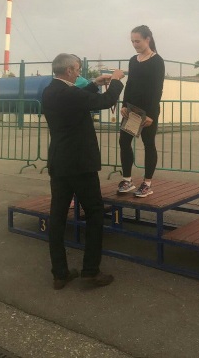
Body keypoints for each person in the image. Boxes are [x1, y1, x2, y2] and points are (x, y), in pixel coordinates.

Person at [42, 53, 125, 290]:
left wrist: (94, 83)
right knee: (95, 213)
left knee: (57, 217)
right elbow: (104, 102)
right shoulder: (69, 94)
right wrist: (116, 81)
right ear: (69, 70)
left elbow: (79, 98)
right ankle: (90, 271)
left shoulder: (50, 91)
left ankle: (60, 273)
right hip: (80, 164)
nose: (79, 72)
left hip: (60, 163)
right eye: (77, 69)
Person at [118, 25, 165, 197]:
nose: (135, 44)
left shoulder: (157, 61)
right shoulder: (133, 60)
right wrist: (124, 105)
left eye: (137, 41)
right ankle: (127, 180)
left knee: (148, 143)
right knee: (124, 142)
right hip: (132, 110)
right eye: (132, 41)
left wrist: (151, 114)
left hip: (148, 111)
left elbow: (157, 89)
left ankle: (147, 183)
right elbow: (130, 84)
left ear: (148, 39)